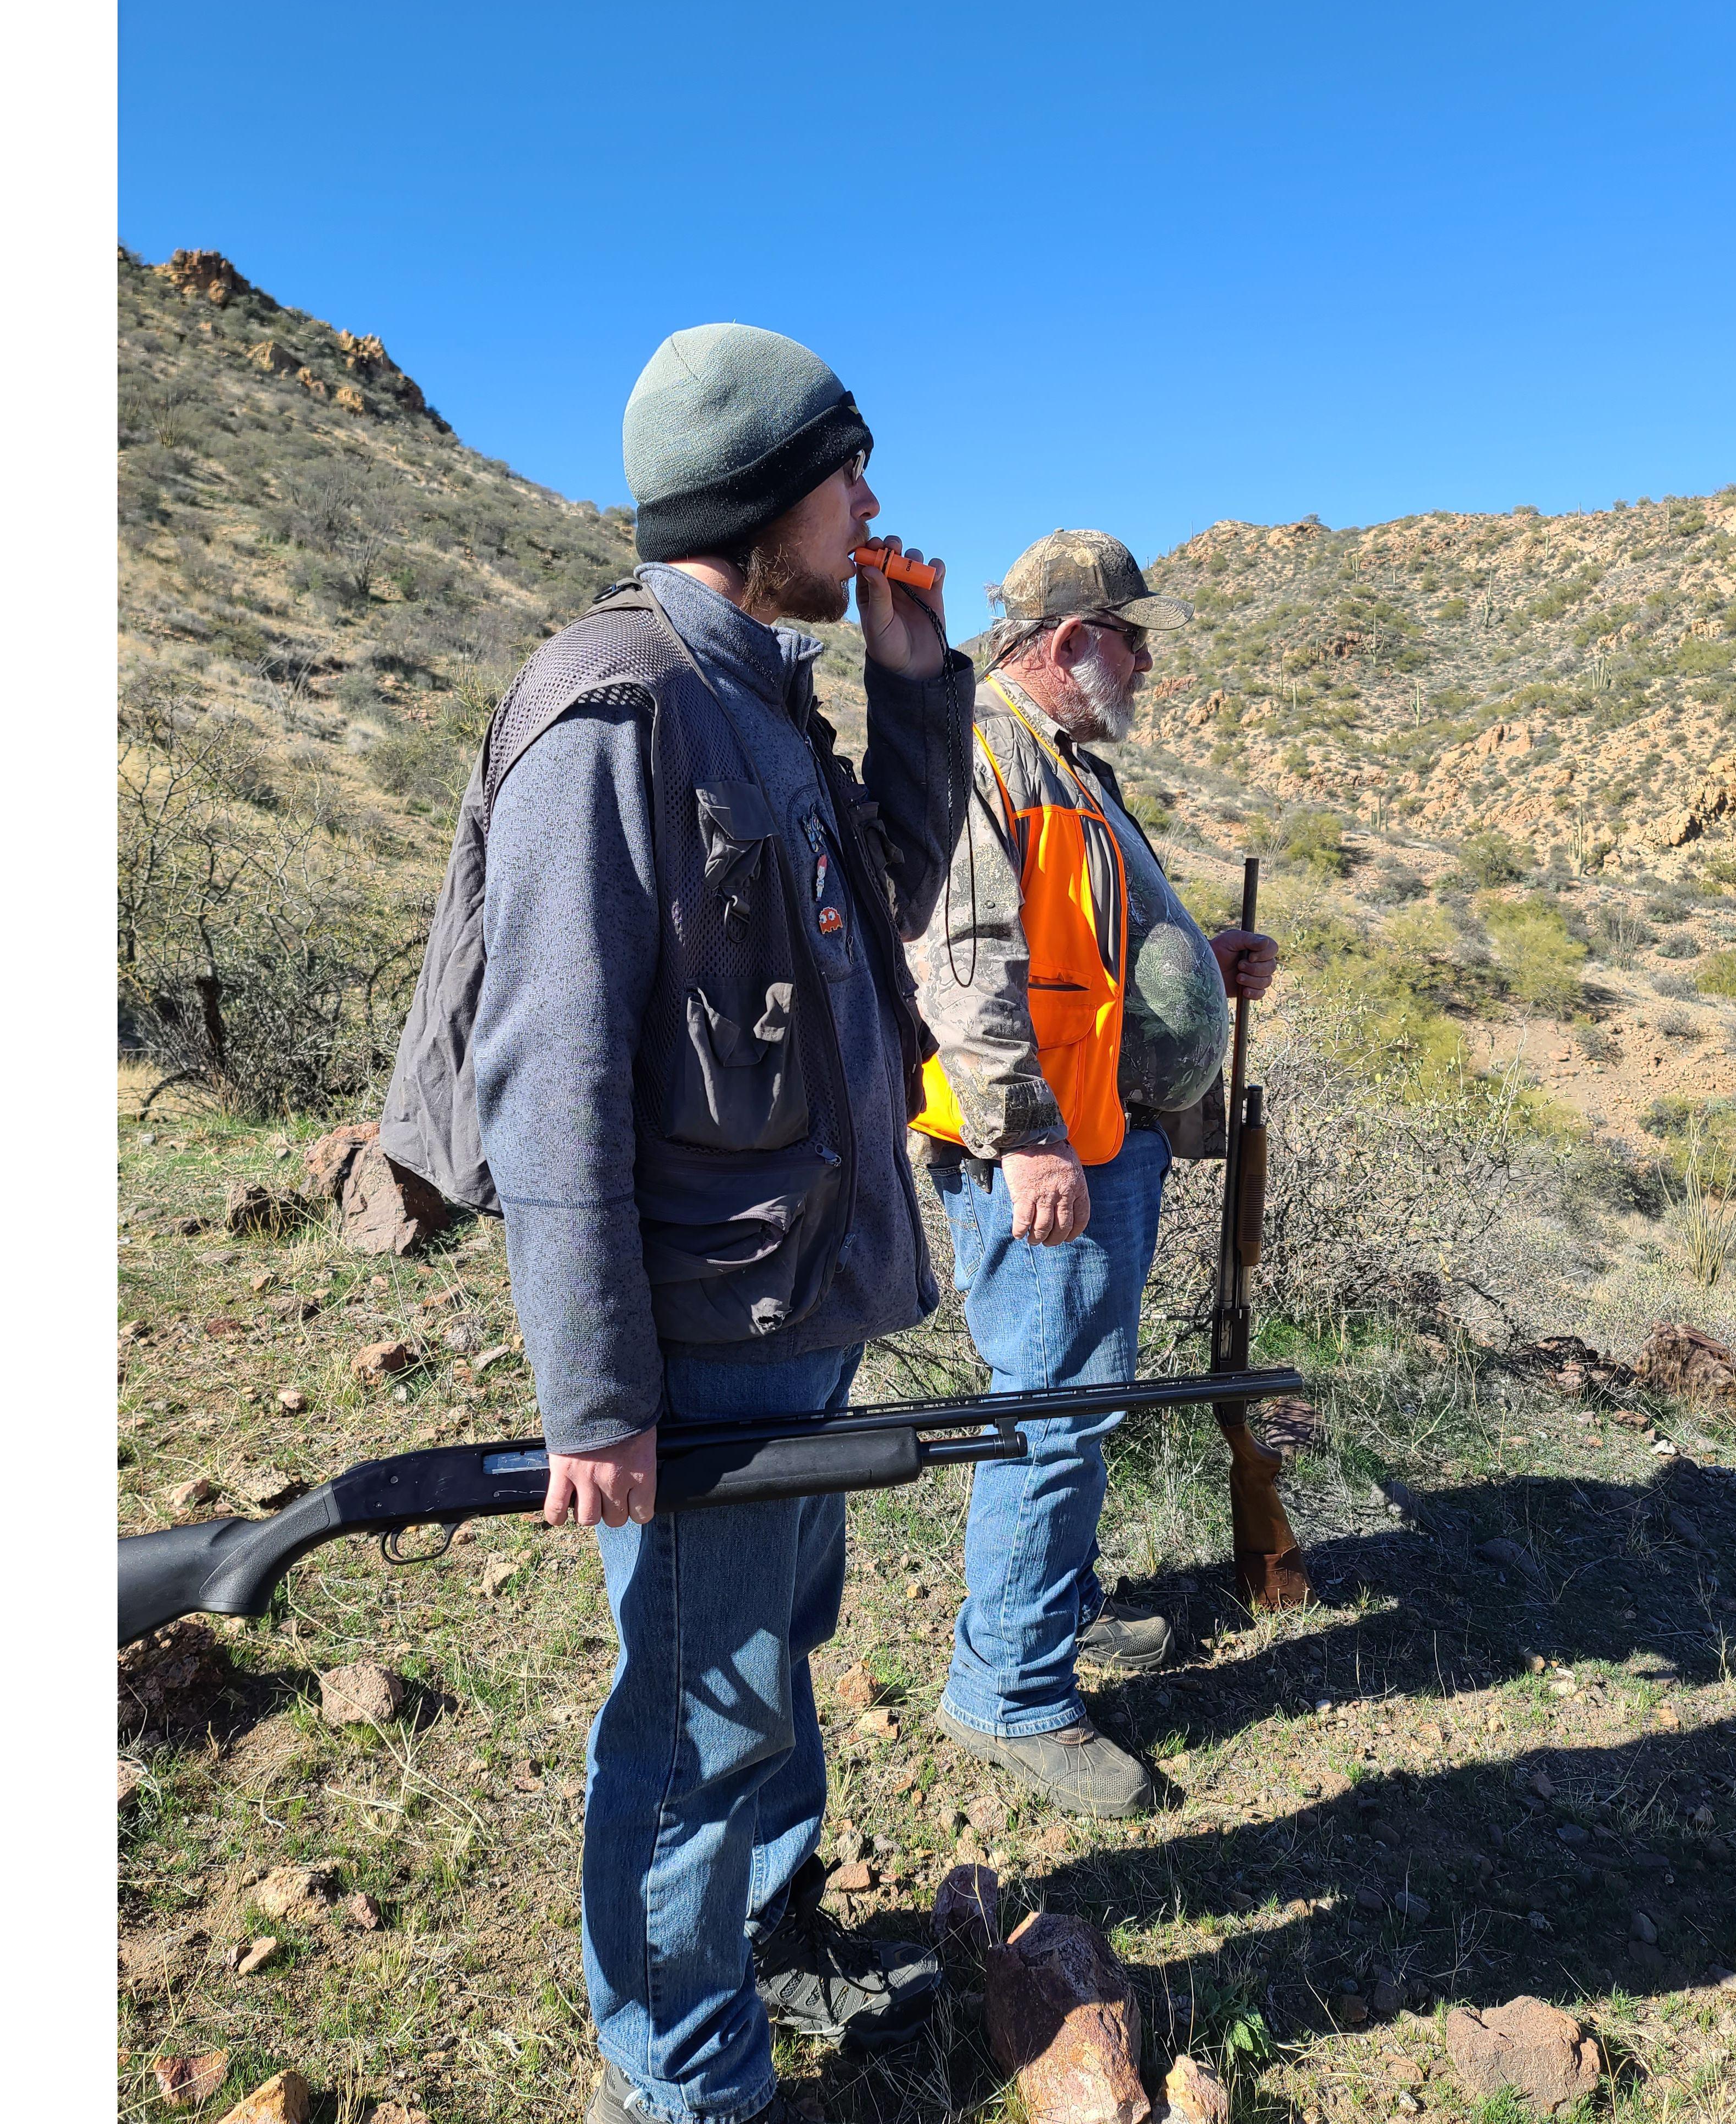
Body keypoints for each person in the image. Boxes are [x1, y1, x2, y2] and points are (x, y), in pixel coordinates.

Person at [449, 325, 974, 2124]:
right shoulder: (614, 712)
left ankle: (774, 1925)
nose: (874, 508)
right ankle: (688, 2078)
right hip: (703, 1345)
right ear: (762, 498)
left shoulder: (762, 690)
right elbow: (553, 1082)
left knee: (771, 1658)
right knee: (696, 1717)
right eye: (848, 475)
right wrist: (593, 1395)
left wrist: (915, 690)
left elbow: (881, 907)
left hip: (800, 1314)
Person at [908, 529, 1279, 1820]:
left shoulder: (1061, 758)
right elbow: (960, 967)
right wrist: (1026, 1138)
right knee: (1052, 1407)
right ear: (1068, 642)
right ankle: (1009, 1690)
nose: (1144, 664)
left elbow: (1090, 944)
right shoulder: (981, 751)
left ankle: (1045, 1614)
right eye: (1131, 640)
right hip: (1047, 1148)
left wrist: (1196, 955)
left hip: (1096, 1133)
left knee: (1077, 1397)